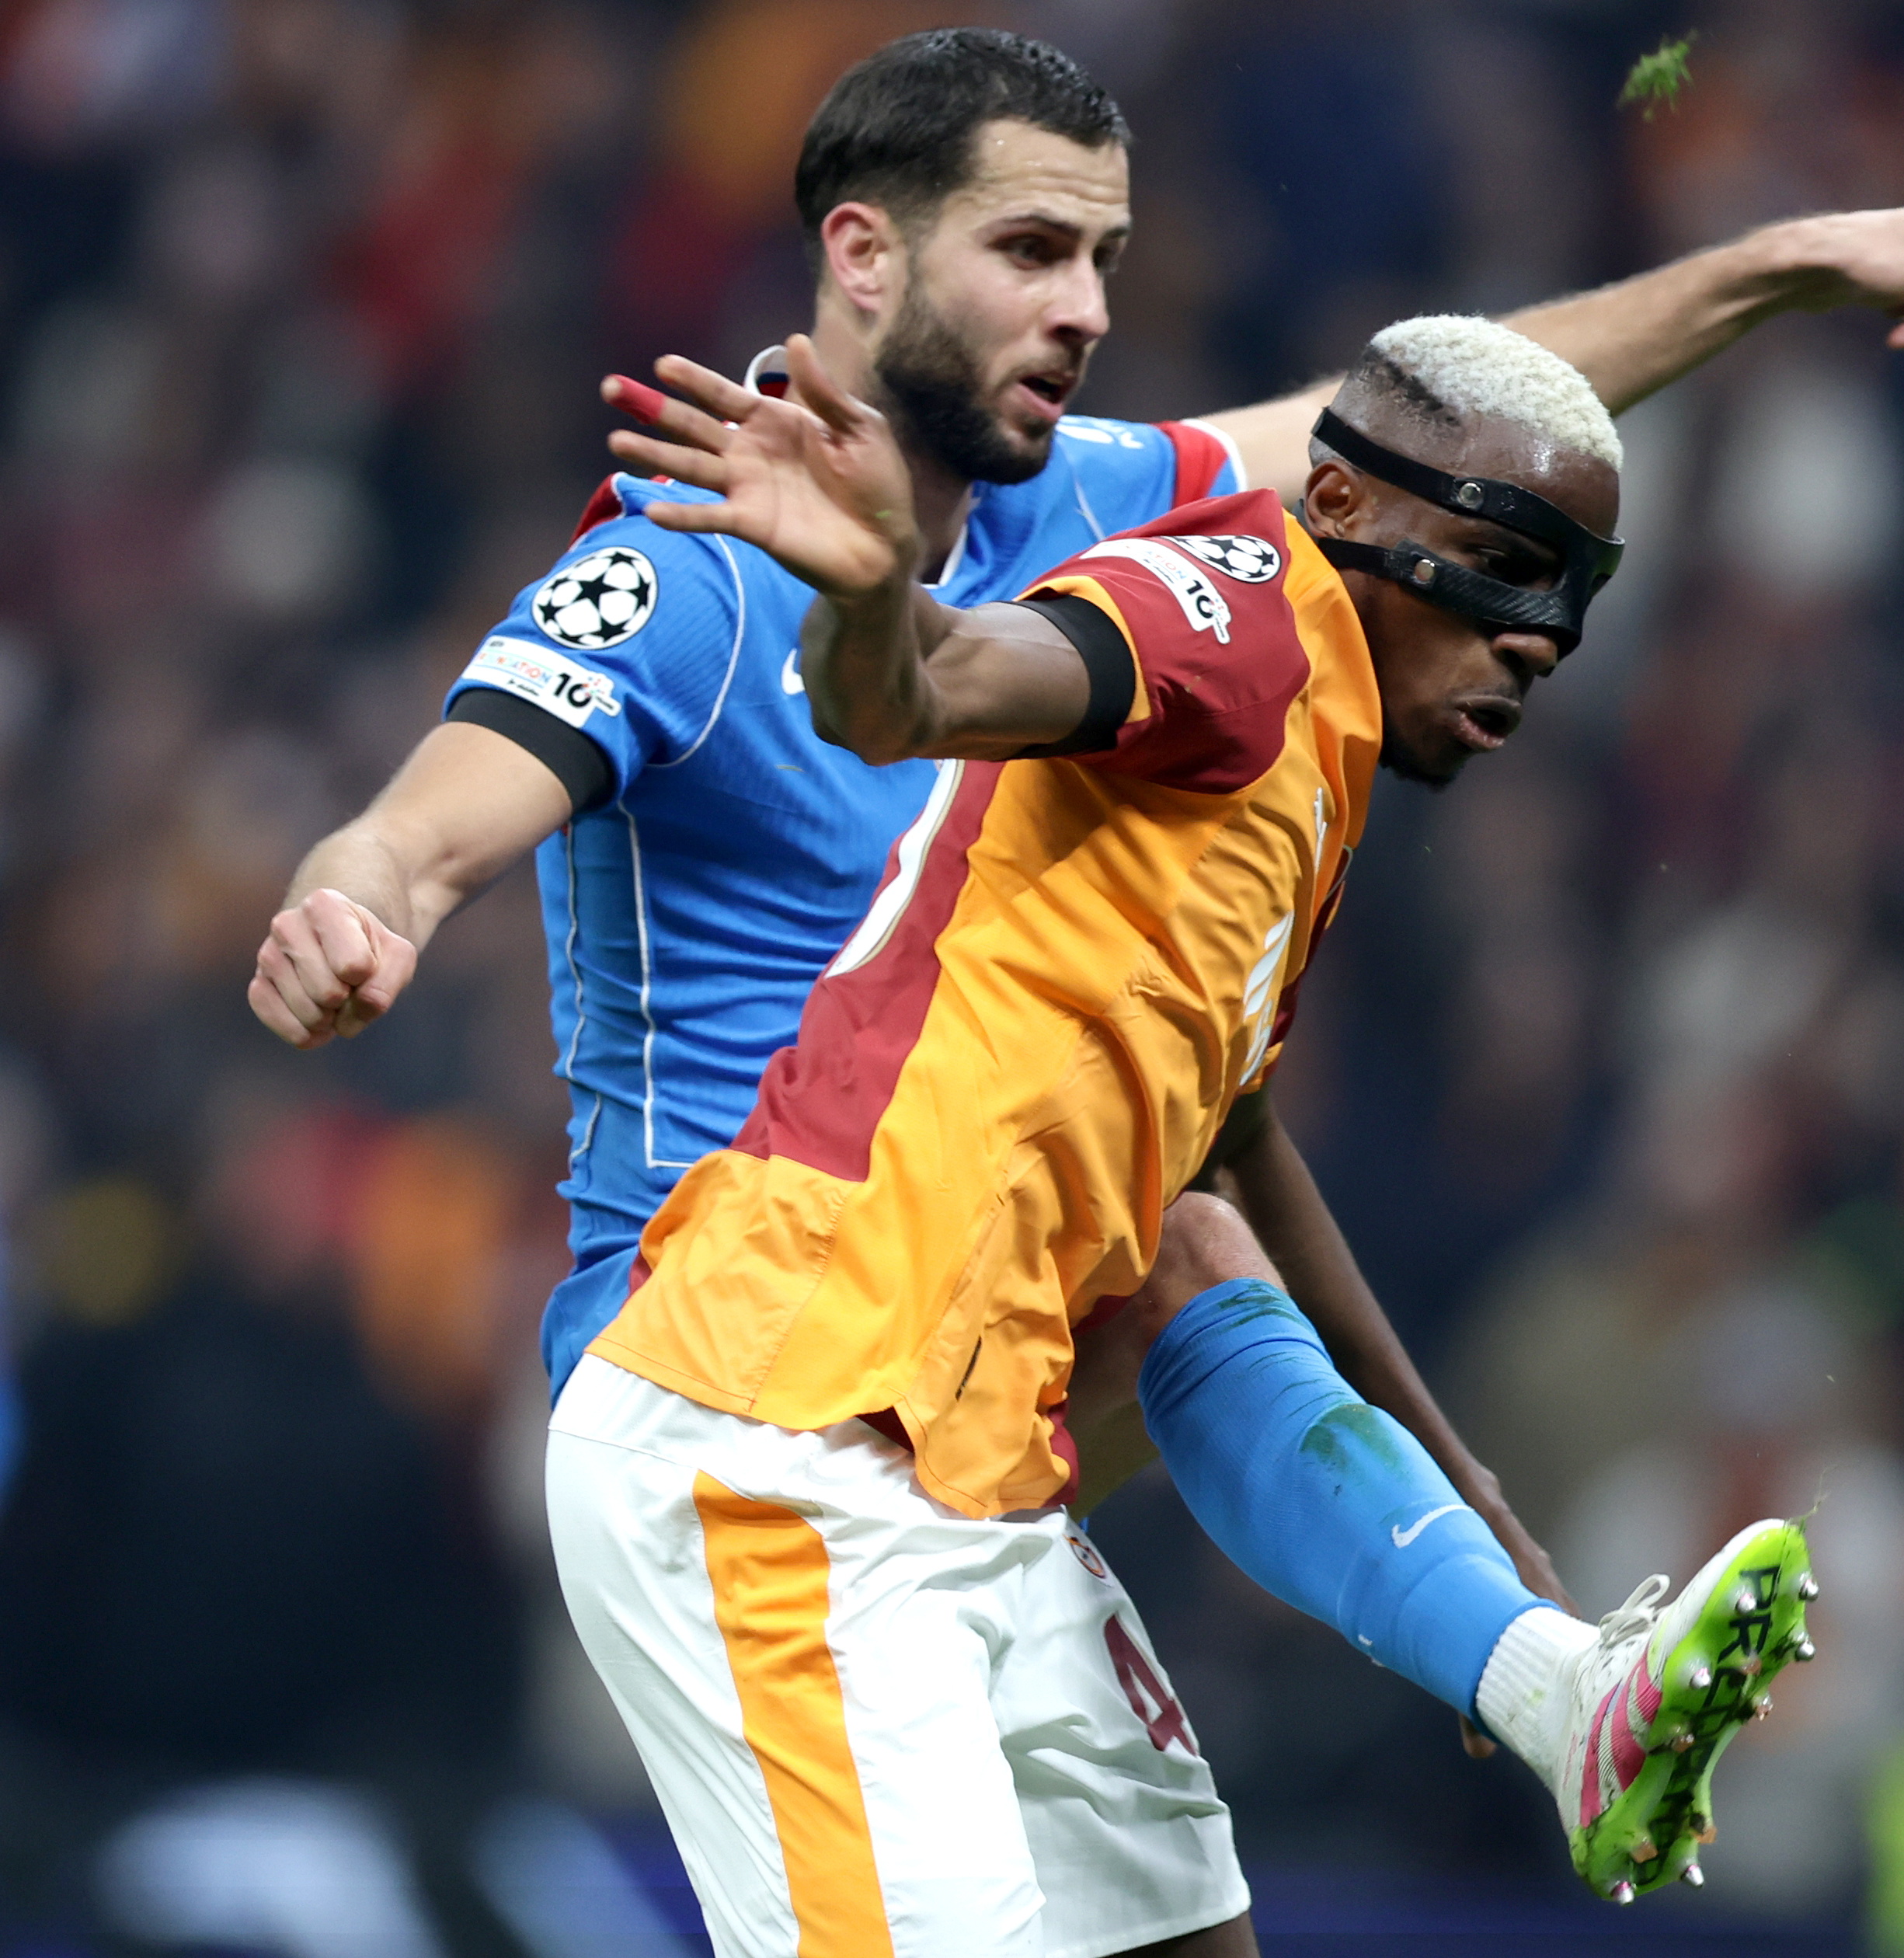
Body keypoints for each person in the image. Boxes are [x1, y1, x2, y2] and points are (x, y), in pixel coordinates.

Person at [245, 26, 1904, 1953]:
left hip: (966, 1365)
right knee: (1189, 1259)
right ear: (866, 255)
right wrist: (356, 911)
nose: (1082, 311)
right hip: (747, 1341)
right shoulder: (690, 566)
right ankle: (1543, 1685)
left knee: (1193, 1242)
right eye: (1034, 251)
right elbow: (411, 831)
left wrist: (1767, 272)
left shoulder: (1120, 513)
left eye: (1107, 263)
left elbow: (1426, 423)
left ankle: (1545, 1686)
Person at [565, 312, 1812, 1953]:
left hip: (971, 1471)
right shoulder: (1230, 607)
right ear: (1350, 506)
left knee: (1191, 1251)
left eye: (1580, 590)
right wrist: (875, 594)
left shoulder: (1311, 777)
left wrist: (1468, 1506)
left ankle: (1552, 1695)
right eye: (1508, 560)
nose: (1541, 635)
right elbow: (927, 688)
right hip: (786, 1431)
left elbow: (1230, 1150)